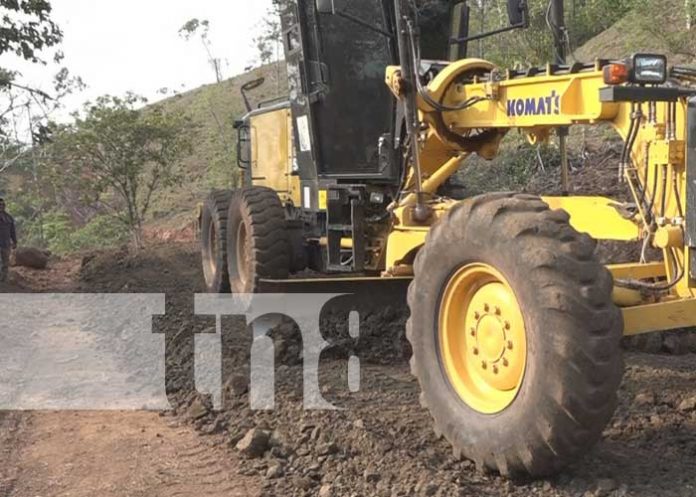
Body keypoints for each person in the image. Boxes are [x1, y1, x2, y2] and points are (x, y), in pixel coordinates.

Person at [0, 198, 17, 282]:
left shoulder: (9, 218)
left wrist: (15, 242)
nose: (1, 206)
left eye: (3, 205)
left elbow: (12, 231)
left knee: (5, 262)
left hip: (5, 244)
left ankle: (3, 279)